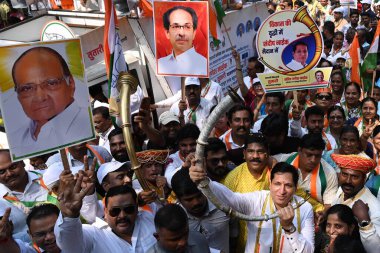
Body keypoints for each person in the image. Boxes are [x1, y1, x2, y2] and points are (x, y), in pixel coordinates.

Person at [189, 162, 315, 253]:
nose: (282, 191)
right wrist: (205, 181)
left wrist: (289, 228)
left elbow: (309, 251)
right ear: (270, 184)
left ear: (296, 187)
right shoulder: (258, 200)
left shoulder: (305, 208)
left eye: (288, 185)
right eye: (277, 184)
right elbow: (231, 199)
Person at [10, 46, 93, 157]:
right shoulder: (17, 139)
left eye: (51, 83)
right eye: (27, 88)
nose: (40, 97)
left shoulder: (88, 124)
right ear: (18, 95)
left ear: (71, 83)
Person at [55, 183, 157, 252]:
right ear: (106, 211)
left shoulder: (150, 218)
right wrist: (70, 216)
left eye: (128, 209)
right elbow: (70, 246)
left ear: (136, 208)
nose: (122, 215)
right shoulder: (94, 233)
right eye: (115, 211)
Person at [221, 133, 272, 252]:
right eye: (251, 151)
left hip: (273, 240)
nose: (255, 156)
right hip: (243, 244)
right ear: (244, 154)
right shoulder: (233, 178)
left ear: (267, 154)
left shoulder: (276, 173)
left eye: (260, 151)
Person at [0, 149, 57, 241]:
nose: (9, 174)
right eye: (1, 172)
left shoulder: (49, 177)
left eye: (13, 166)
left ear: (22, 162)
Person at [171, 169, 230, 253]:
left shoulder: (223, 205)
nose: (196, 202)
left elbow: (234, 232)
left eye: (199, 196)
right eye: (189, 199)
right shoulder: (175, 217)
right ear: (178, 199)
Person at [331, 153, 380, 253]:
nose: (348, 181)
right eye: (344, 174)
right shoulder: (341, 191)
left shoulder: (373, 207)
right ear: (339, 175)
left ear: (364, 179)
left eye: (354, 177)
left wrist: (364, 222)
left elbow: (376, 250)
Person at [274, 134, 338, 208]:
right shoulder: (283, 160)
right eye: (309, 155)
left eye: (317, 156)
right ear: (299, 150)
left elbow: (329, 204)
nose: (313, 160)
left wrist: (323, 214)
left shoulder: (329, 173)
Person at [157, 6, 207, 76]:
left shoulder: (204, 65)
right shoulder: (160, 65)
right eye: (175, 27)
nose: (181, 33)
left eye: (187, 27)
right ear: (167, 33)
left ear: (194, 33)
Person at [164, 123, 200, 188]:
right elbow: (169, 181)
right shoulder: (172, 158)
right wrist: (185, 166)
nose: (189, 149)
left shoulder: (206, 154)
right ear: (178, 145)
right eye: (184, 145)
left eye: (192, 144)